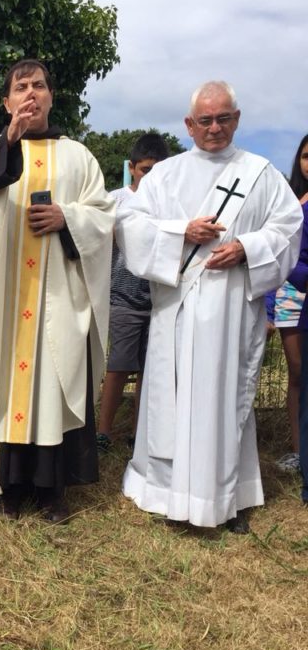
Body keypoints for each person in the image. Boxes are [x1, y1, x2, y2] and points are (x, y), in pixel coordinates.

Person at [116, 81, 303, 533]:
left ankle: (227, 499)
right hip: (175, 313)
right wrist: (182, 231)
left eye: (223, 118)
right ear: (189, 125)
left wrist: (247, 247)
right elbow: (131, 224)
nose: (214, 128)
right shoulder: (165, 175)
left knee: (225, 399)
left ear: (236, 119)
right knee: (171, 402)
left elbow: (288, 229)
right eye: (205, 120)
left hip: (230, 312)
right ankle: (166, 493)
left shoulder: (261, 174)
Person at [0, 58, 115, 522]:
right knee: (3, 383)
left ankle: (49, 489)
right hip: (3, 298)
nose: (30, 94)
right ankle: (5, 486)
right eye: (20, 87)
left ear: (50, 96)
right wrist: (9, 140)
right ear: (7, 101)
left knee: (50, 381)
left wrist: (70, 219)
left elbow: (103, 216)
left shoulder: (78, 156)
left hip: (57, 295)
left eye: (39, 85)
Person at [96, 133, 169, 452]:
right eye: (145, 170)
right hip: (123, 297)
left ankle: (141, 434)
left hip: (161, 299)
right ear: (132, 168)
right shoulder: (115, 200)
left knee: (151, 370)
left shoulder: (170, 204)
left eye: (158, 170)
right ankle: (103, 431)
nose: (151, 176)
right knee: (119, 366)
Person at [266, 135, 308, 472]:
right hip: (292, 295)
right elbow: (281, 255)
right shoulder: (292, 204)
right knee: (297, 373)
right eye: (307, 156)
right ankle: (299, 449)